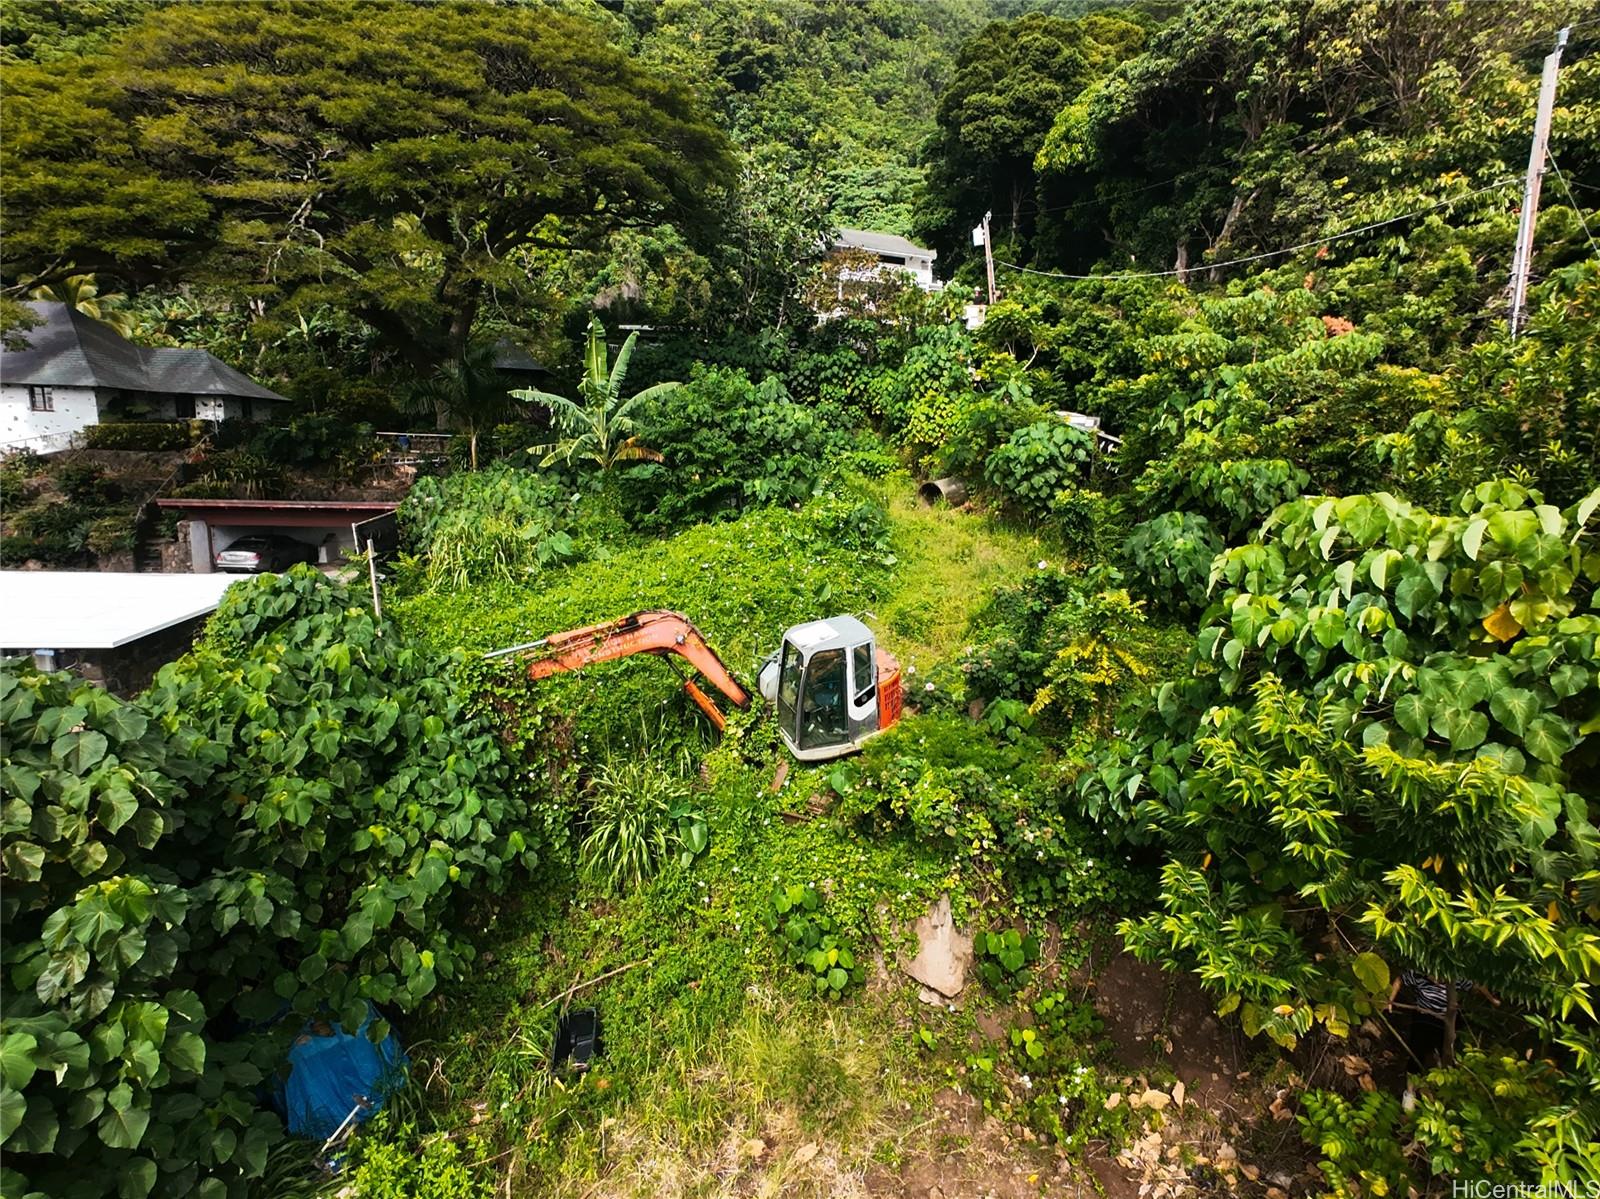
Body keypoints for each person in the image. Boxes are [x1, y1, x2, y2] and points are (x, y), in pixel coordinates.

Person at [1388, 967, 1500, 1067]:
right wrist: (1390, 1001)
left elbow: (1476, 986)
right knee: (1418, 1048)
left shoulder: (1455, 977)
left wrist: (1492, 1000)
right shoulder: (1418, 975)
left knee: (1446, 1048)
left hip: (1444, 1019)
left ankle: (1444, 1068)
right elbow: (1400, 980)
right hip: (1423, 1016)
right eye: (1433, 977)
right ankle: (1413, 1077)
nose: (1436, 980)